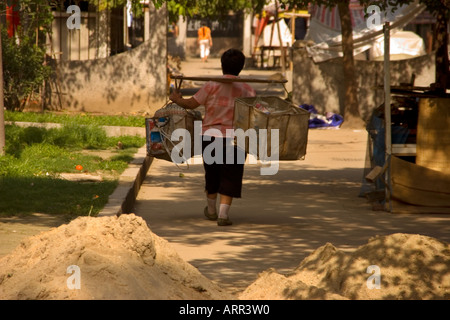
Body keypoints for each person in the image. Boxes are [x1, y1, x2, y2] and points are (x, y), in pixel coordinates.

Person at [169, 49, 256, 226]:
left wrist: (177, 99)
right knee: (230, 176)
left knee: (213, 174)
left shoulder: (211, 85)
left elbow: (191, 103)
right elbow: (254, 114)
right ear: (241, 67)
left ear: (222, 65)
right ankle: (223, 215)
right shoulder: (248, 89)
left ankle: (211, 211)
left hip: (210, 137)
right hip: (235, 139)